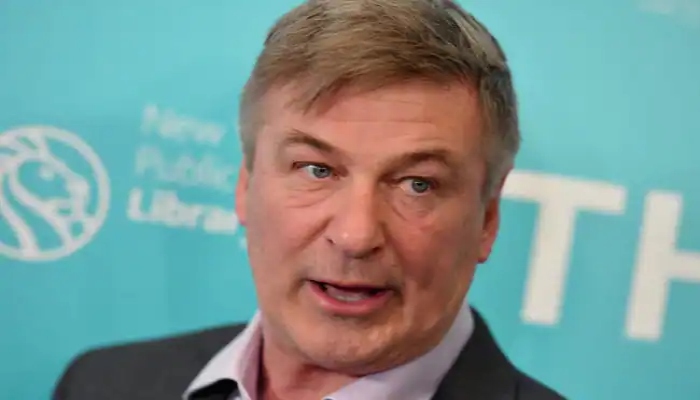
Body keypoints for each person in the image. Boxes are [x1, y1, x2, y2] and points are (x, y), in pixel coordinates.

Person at [53, 0, 566, 399]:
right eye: (317, 170)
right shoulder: (102, 385)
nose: (355, 235)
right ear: (245, 185)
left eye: (417, 184)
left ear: (487, 219)